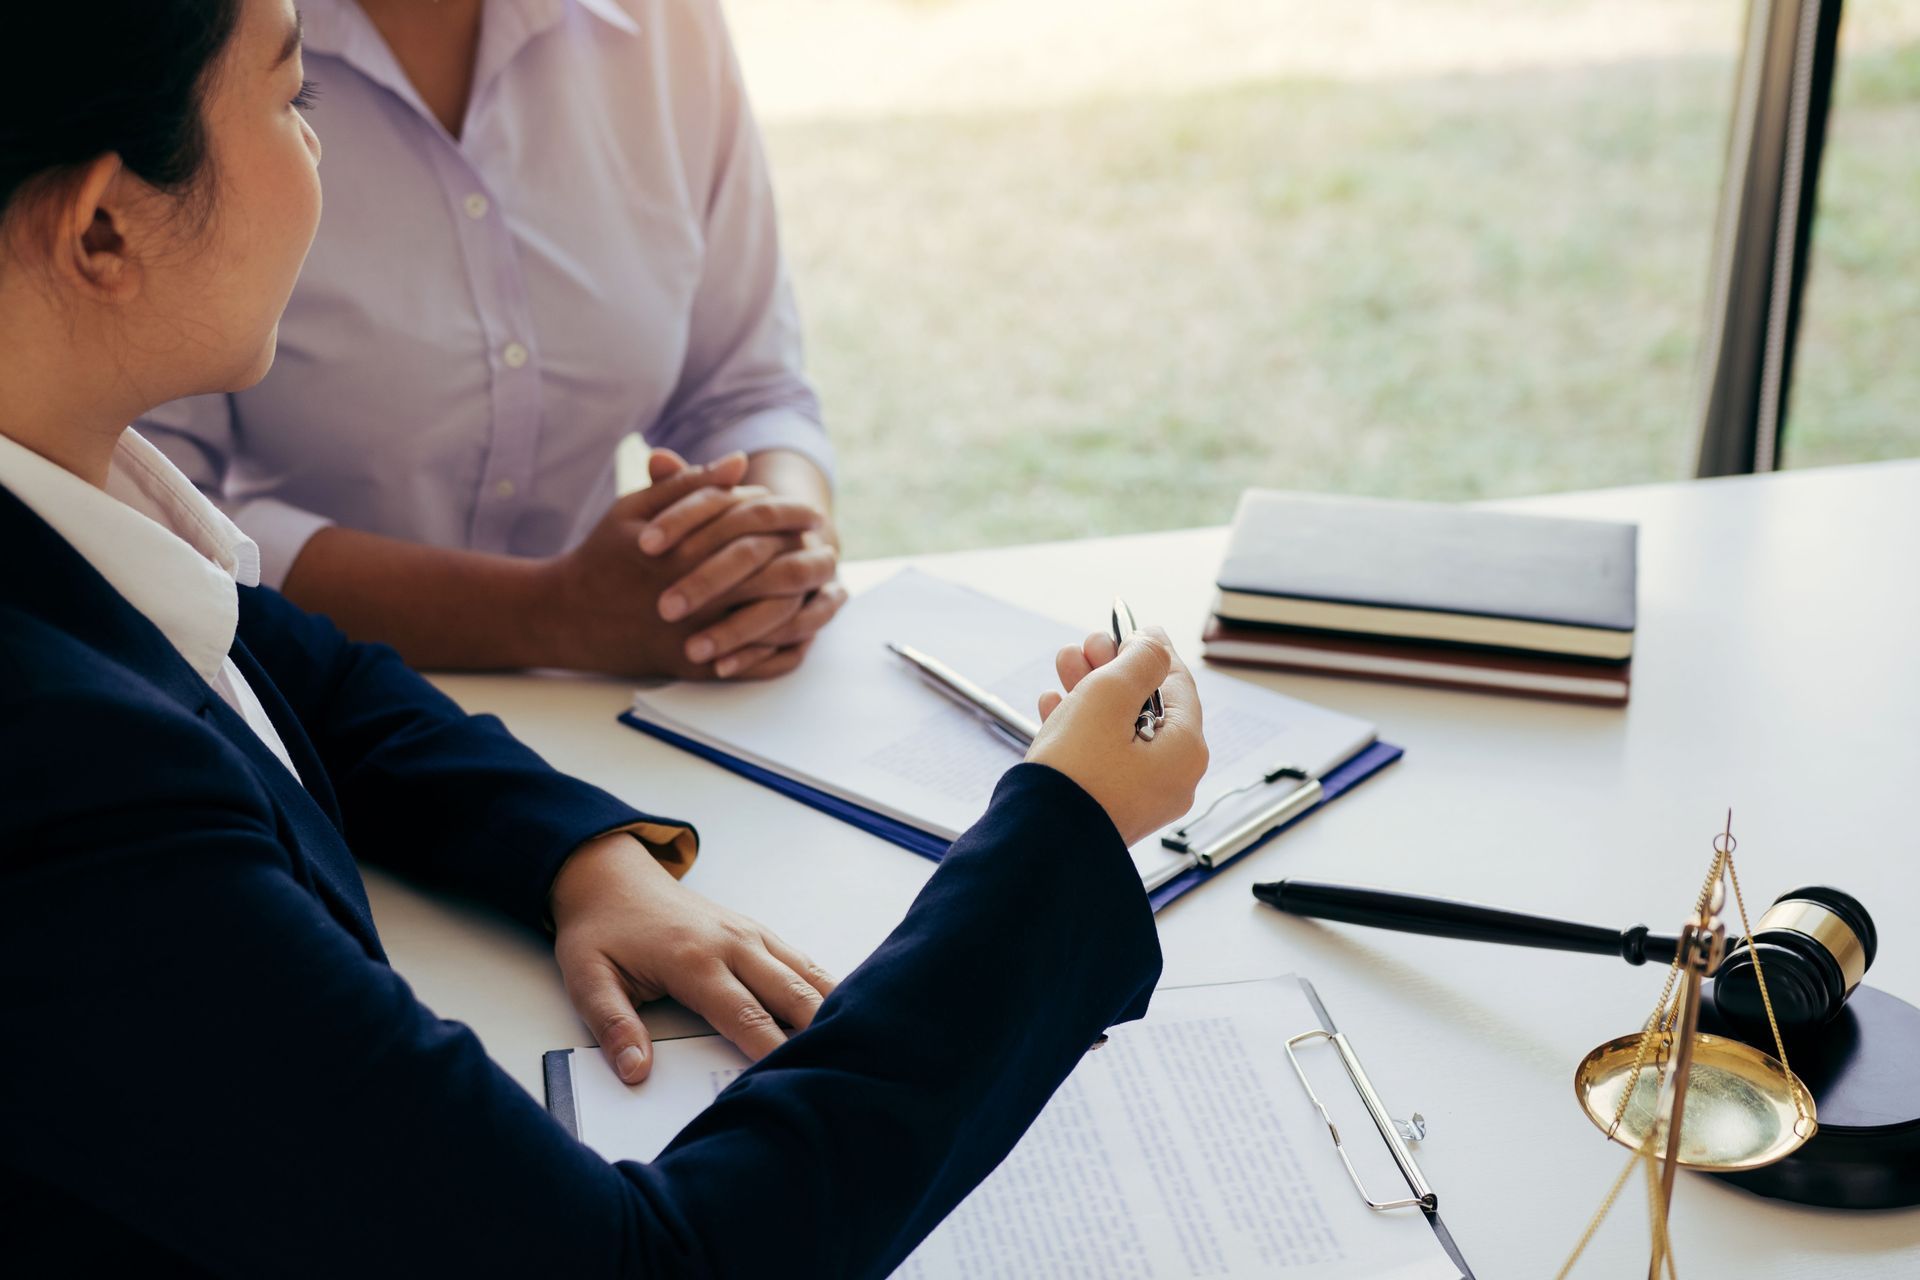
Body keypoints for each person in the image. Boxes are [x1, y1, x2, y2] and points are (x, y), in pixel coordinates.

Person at [0, 3, 1211, 1274]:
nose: (319, 152)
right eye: (291, 101)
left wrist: (581, 857)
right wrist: (1063, 832)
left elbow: (311, 673)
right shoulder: (72, 784)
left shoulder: (79, 523)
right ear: (104, 226)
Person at [137, 0, 847, 685]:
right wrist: (548, 614)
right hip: (300, 705)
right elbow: (151, 505)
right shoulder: (198, 30)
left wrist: (778, 550)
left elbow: (747, 391)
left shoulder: (667, 21)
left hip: (613, 700)